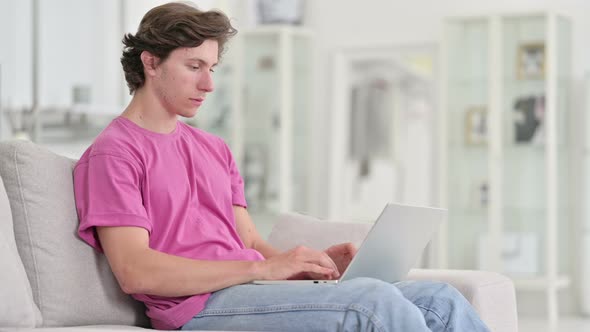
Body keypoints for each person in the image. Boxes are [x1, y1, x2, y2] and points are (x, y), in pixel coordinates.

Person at [73, 2, 490, 331]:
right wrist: (263, 268)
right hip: (198, 307)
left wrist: (307, 266)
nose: (209, 84)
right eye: (194, 67)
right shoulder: (115, 153)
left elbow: (248, 237)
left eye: (212, 68)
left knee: (440, 298)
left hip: (249, 287)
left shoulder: (213, 148)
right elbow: (135, 271)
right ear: (150, 62)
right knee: (372, 305)